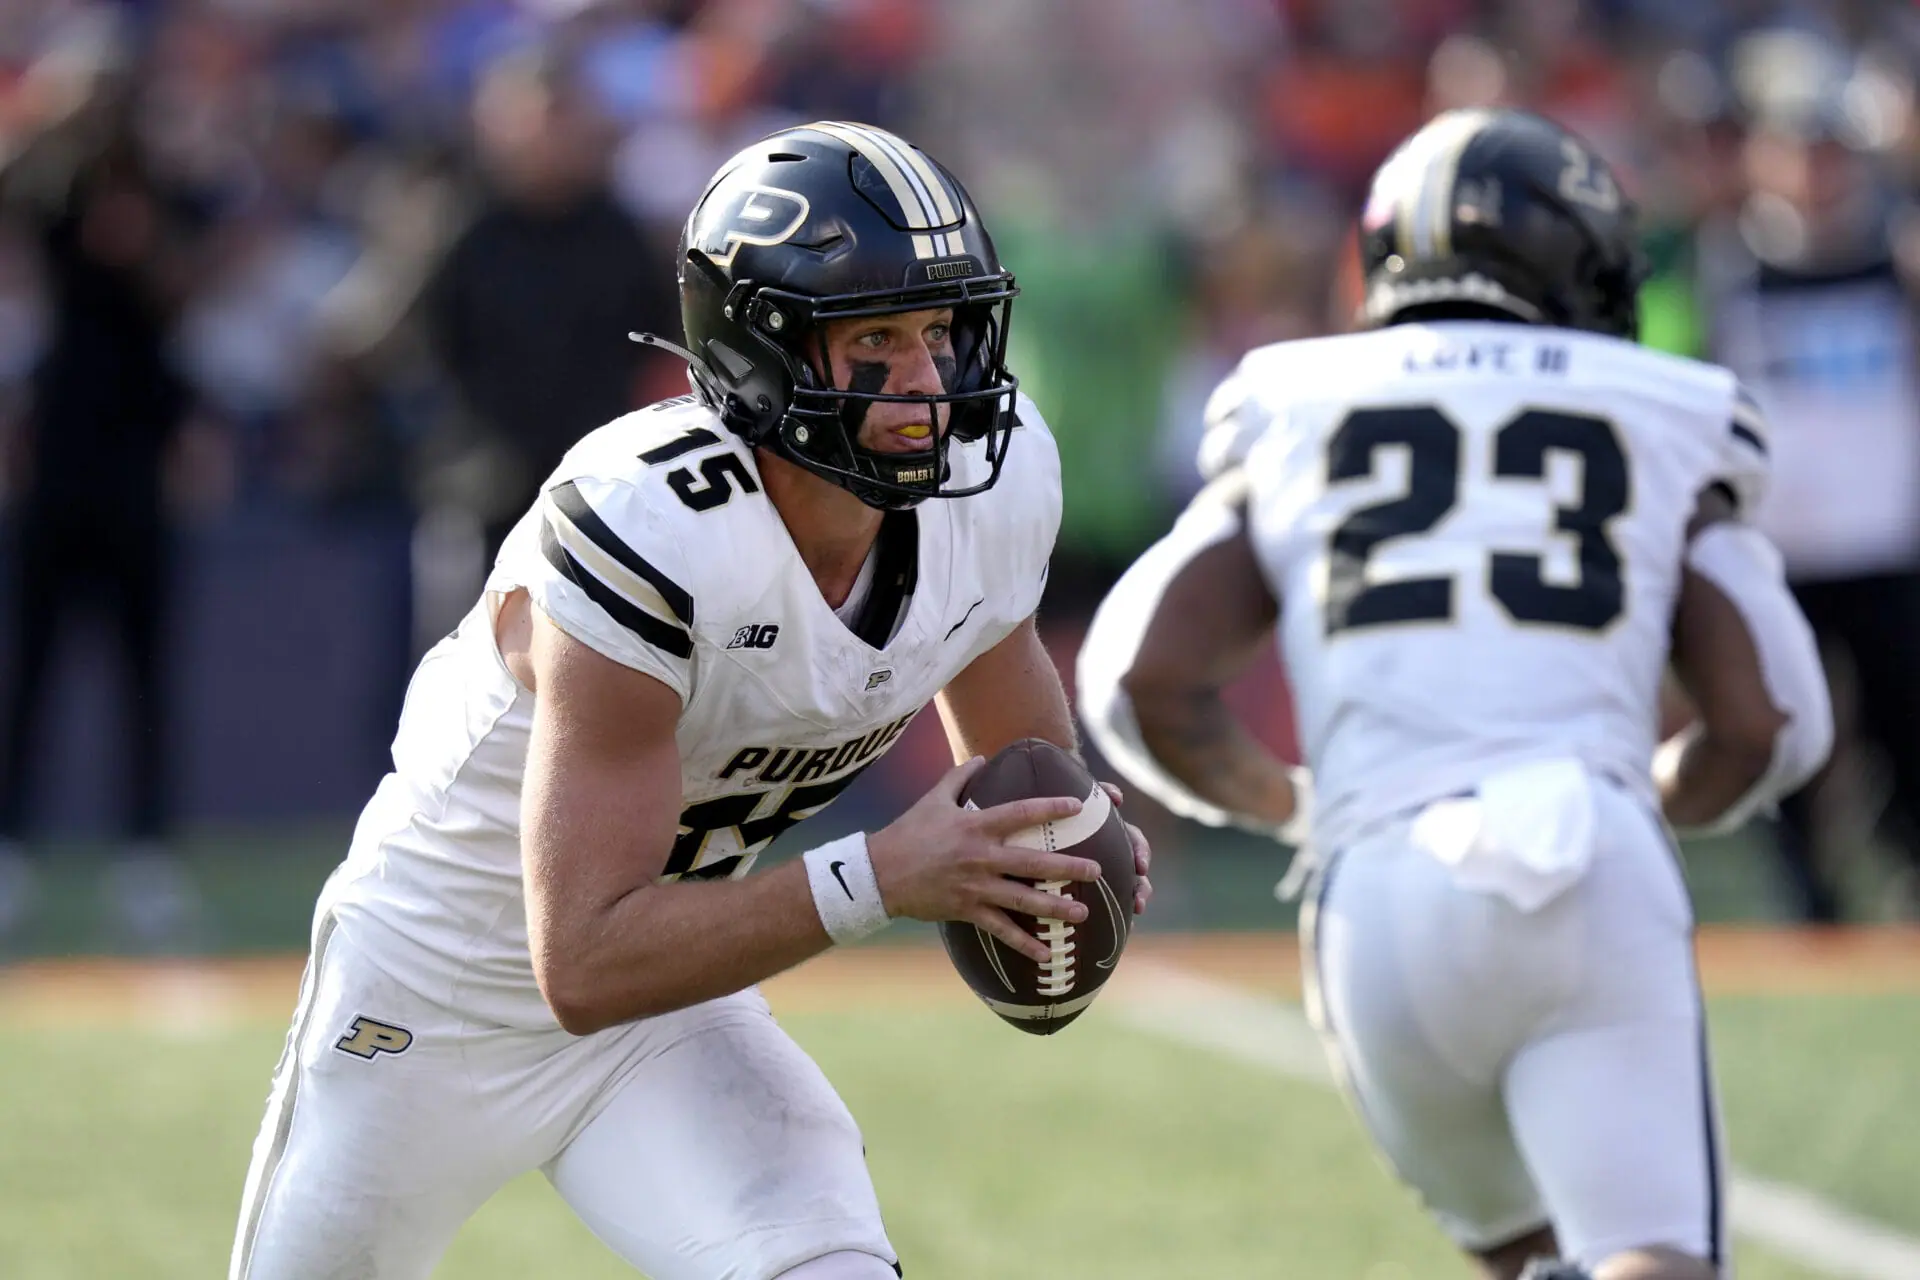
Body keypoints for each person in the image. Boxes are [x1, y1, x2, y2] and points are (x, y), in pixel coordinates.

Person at [230, 121, 1150, 1280]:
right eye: (874, 336)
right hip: (438, 988)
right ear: (759, 353)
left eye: (941, 329)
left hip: (668, 999)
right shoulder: (653, 526)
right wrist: (881, 874)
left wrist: (1063, 852)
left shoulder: (995, 483)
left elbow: (1024, 784)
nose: (926, 377)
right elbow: (583, 958)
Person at [1077, 109, 1829, 1280]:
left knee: (1528, 1257)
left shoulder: (1293, 396)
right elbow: (1773, 716)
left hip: (1371, 890)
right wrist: (1647, 794)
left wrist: (1293, 805)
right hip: (1580, 851)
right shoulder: (1664, 403)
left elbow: (1137, 678)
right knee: (1653, 1256)